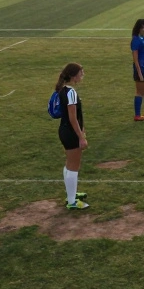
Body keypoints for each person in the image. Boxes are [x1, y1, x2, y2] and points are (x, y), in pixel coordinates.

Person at [56, 63, 89, 210]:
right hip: (70, 133)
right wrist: (81, 136)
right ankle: (72, 201)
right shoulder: (70, 93)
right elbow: (73, 118)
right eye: (81, 73)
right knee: (73, 167)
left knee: (69, 164)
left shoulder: (64, 90)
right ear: (73, 76)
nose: (82, 76)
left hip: (66, 131)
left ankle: (72, 194)